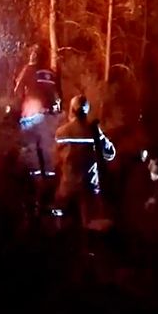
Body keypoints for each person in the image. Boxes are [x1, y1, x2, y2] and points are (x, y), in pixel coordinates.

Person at [54, 94, 116, 228]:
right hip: (89, 189)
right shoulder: (93, 131)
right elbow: (110, 153)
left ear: (72, 110)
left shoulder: (61, 132)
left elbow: (56, 159)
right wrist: (98, 133)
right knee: (89, 227)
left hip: (67, 187)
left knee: (61, 222)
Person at [13, 43, 62, 179]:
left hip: (32, 115)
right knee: (48, 152)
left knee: (30, 150)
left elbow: (17, 91)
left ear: (33, 55)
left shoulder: (29, 69)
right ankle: (50, 185)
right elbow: (58, 95)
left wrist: (17, 105)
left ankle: (34, 185)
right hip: (50, 117)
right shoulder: (51, 73)